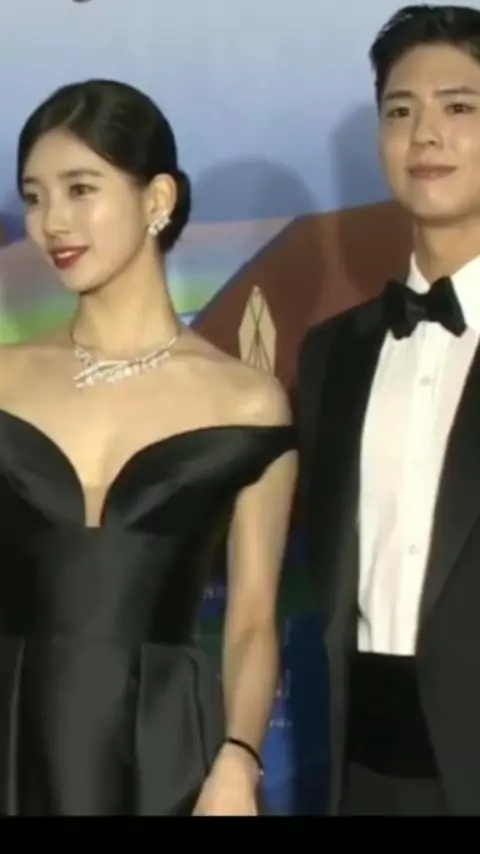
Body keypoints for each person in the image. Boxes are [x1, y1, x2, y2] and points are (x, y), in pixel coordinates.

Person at [0, 79, 297, 816]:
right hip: (13, 734)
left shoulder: (247, 403)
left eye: (81, 189)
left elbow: (252, 621)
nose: (52, 222)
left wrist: (239, 759)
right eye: (34, 197)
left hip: (166, 750)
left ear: (157, 199)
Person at [296, 4, 480, 816]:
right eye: (400, 111)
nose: (425, 134)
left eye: (459, 106)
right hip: (362, 773)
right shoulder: (332, 354)